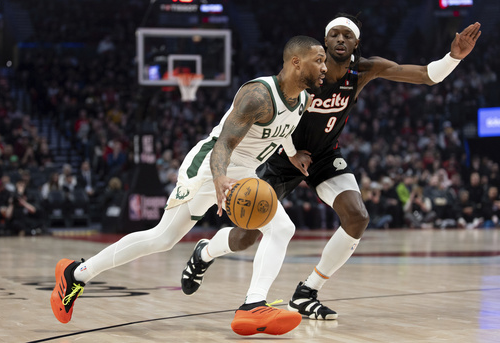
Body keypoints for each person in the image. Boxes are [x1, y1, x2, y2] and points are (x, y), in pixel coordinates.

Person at [182, 14, 481, 320]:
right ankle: (205, 251)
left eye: (347, 35)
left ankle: (307, 292)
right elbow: (280, 113)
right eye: (334, 35)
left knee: (357, 216)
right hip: (285, 155)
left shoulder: (363, 71)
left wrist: (453, 57)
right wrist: (294, 150)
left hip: (325, 155)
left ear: (356, 43)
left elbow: (425, 74)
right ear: (324, 43)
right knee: (246, 235)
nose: (340, 39)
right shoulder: (308, 74)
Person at [50, 35, 327, 336]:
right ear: (296, 62)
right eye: (319, 60)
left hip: (244, 172)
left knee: (283, 228)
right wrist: (220, 177)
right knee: (162, 238)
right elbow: (223, 143)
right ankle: (75, 273)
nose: (325, 67)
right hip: (210, 167)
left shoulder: (303, 98)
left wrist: (291, 152)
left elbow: (281, 129)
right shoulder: (258, 95)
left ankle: (252, 305)